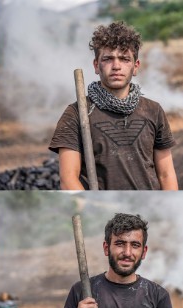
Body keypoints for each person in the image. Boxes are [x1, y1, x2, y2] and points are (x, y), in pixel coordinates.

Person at [49, 21, 177, 190]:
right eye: (108, 59)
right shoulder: (77, 113)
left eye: (124, 59)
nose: (116, 66)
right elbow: (68, 179)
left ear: (135, 66)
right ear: (96, 65)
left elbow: (166, 174)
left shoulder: (153, 110)